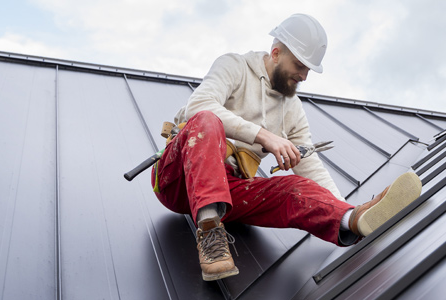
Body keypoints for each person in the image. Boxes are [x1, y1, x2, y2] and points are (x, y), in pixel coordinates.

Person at [151, 13, 422, 281]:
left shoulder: (292, 109)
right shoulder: (234, 66)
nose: (304, 75)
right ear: (277, 53)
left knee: (294, 189)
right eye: (300, 65)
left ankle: (353, 220)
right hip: (178, 179)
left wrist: (339, 207)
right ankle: (210, 233)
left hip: (228, 191)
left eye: (309, 70)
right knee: (207, 120)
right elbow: (199, 106)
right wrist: (265, 136)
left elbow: (311, 166)